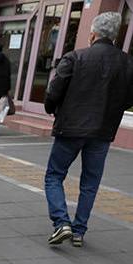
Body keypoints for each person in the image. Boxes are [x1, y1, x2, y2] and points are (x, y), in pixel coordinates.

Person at [43, 12, 133, 247]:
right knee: (90, 183)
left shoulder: (75, 57)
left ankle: (61, 221)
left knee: (54, 175)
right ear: (115, 36)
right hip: (102, 131)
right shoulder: (127, 63)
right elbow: (129, 97)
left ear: (92, 34)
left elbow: (54, 91)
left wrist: (52, 108)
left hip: (70, 128)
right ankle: (78, 230)